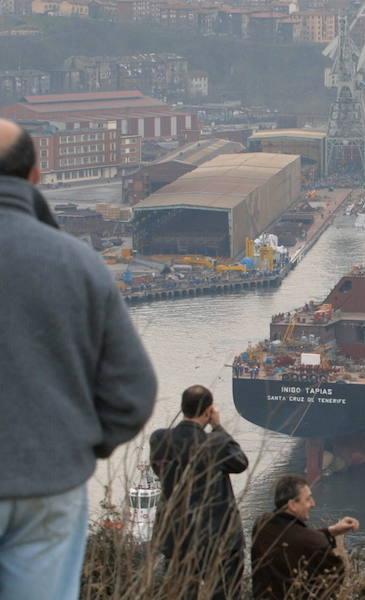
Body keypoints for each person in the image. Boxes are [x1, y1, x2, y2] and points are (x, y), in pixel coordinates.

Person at [0, 118, 157, 600]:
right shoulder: (79, 262)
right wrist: (78, 447)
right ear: (35, 175)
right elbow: (133, 393)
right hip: (49, 483)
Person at [150, 385, 249, 600]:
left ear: (182, 407)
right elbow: (240, 462)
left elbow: (158, 469)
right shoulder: (217, 442)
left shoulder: (159, 439)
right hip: (217, 537)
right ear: (208, 410)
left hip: (177, 537)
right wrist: (218, 427)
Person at [251, 474, 359, 600]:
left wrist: (332, 531)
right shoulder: (315, 543)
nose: (313, 503)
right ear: (292, 505)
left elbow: (293, 538)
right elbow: (335, 580)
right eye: (308, 499)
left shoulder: (261, 524)